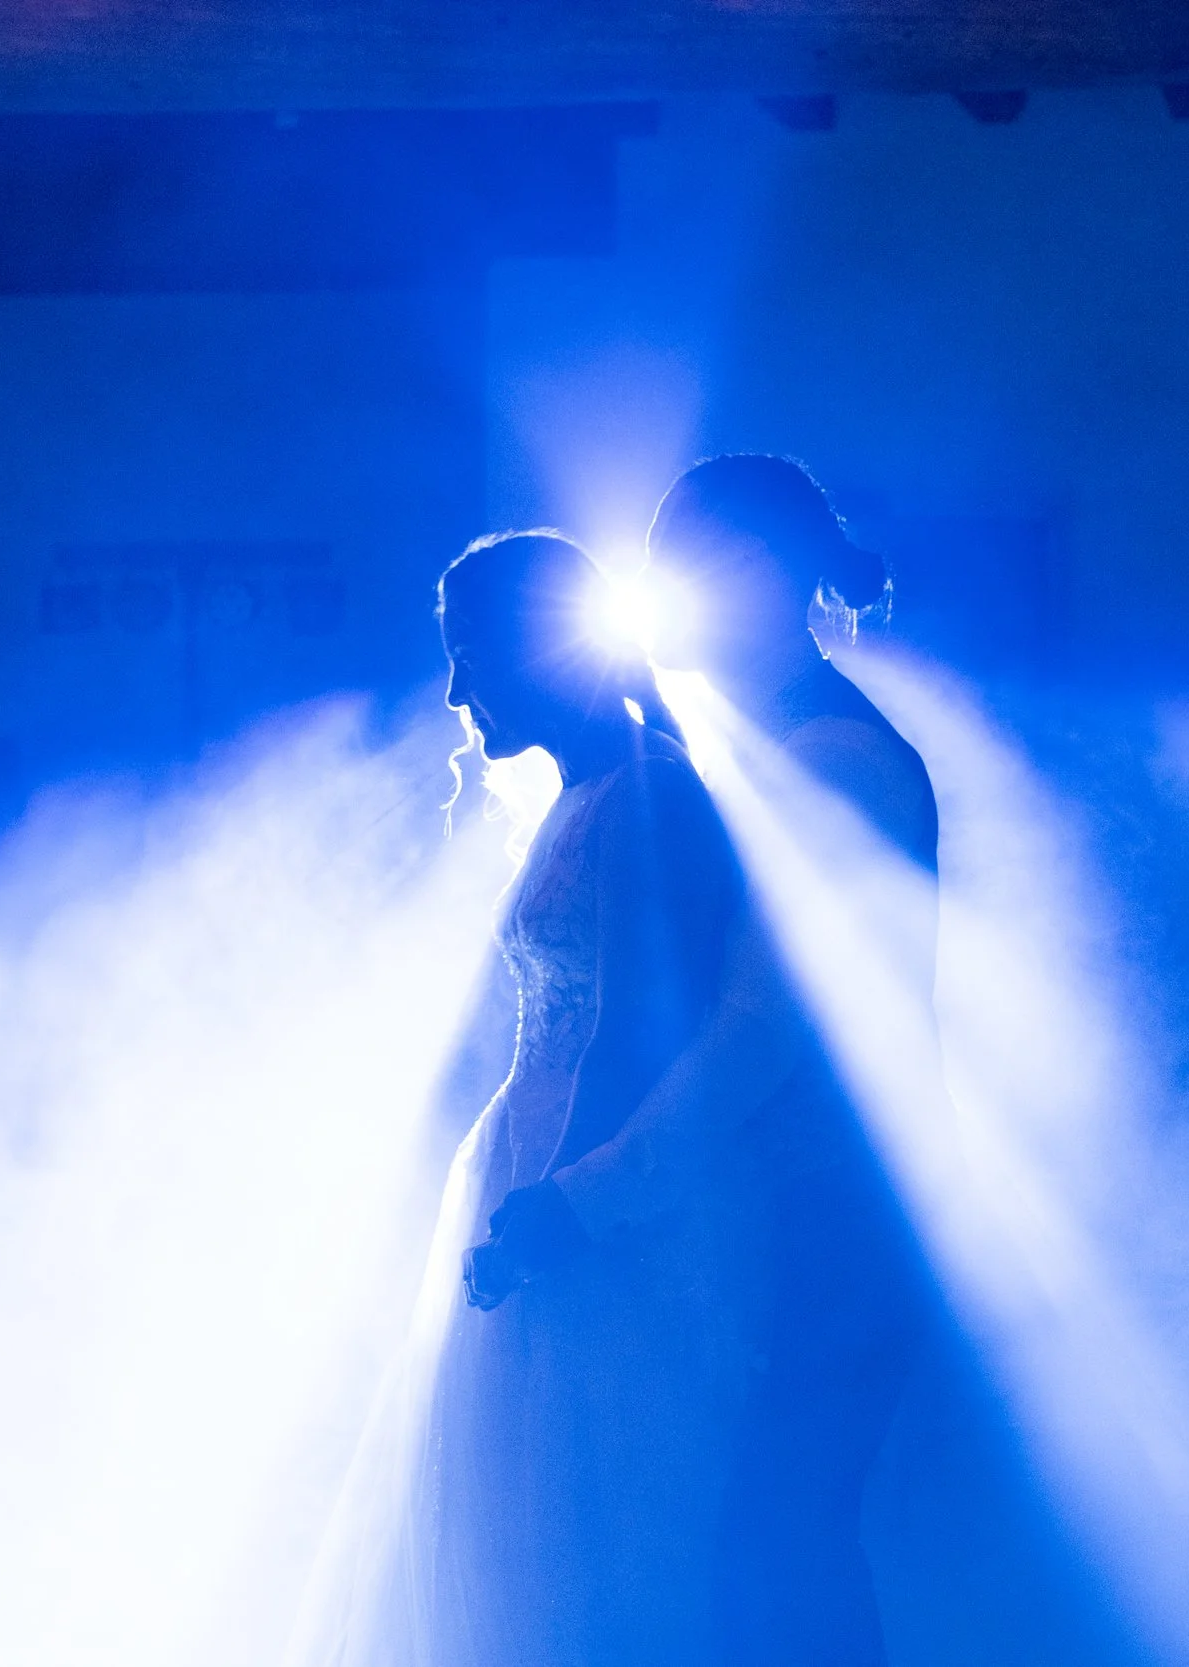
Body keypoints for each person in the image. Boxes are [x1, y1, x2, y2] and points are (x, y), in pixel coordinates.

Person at [573, 454, 943, 1667]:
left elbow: (762, 1024)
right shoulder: (772, 738)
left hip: (843, 1216)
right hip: (801, 1207)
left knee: (778, 1554)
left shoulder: (832, 754)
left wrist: (603, 1183)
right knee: (769, 1552)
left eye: (682, 567)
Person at [425, 530, 766, 1667]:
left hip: (591, 1203)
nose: (457, 690)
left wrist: (565, 1205)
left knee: (594, 1538)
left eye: (472, 654)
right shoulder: (586, 794)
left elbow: (650, 1031)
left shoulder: (650, 795)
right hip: (538, 1174)